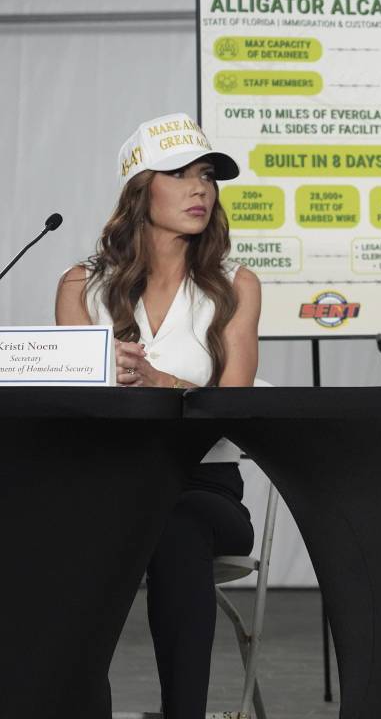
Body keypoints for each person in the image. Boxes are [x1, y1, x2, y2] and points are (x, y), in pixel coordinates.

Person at [55, 113, 261, 717]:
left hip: (204, 489)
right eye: (181, 174)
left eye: (208, 176)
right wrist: (97, 376)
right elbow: (72, 407)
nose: (201, 188)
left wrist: (158, 383)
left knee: (174, 523)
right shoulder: (81, 284)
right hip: (110, 483)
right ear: (141, 190)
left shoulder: (234, 284)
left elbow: (236, 407)